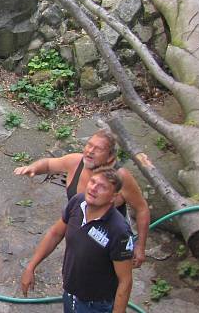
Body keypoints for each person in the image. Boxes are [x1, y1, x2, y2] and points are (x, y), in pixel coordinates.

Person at [13, 129, 149, 267]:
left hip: (110, 237)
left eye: (98, 149)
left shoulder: (121, 177)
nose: (90, 151)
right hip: (80, 229)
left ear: (110, 158)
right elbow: (48, 164)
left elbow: (142, 209)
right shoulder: (75, 161)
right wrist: (33, 167)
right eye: (89, 145)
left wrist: (140, 246)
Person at [21, 168, 134, 313]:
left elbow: (125, 281)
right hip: (70, 293)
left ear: (113, 197)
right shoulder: (77, 202)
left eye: (102, 187)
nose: (94, 188)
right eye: (93, 182)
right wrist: (31, 267)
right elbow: (55, 233)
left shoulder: (119, 231)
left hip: (96, 305)